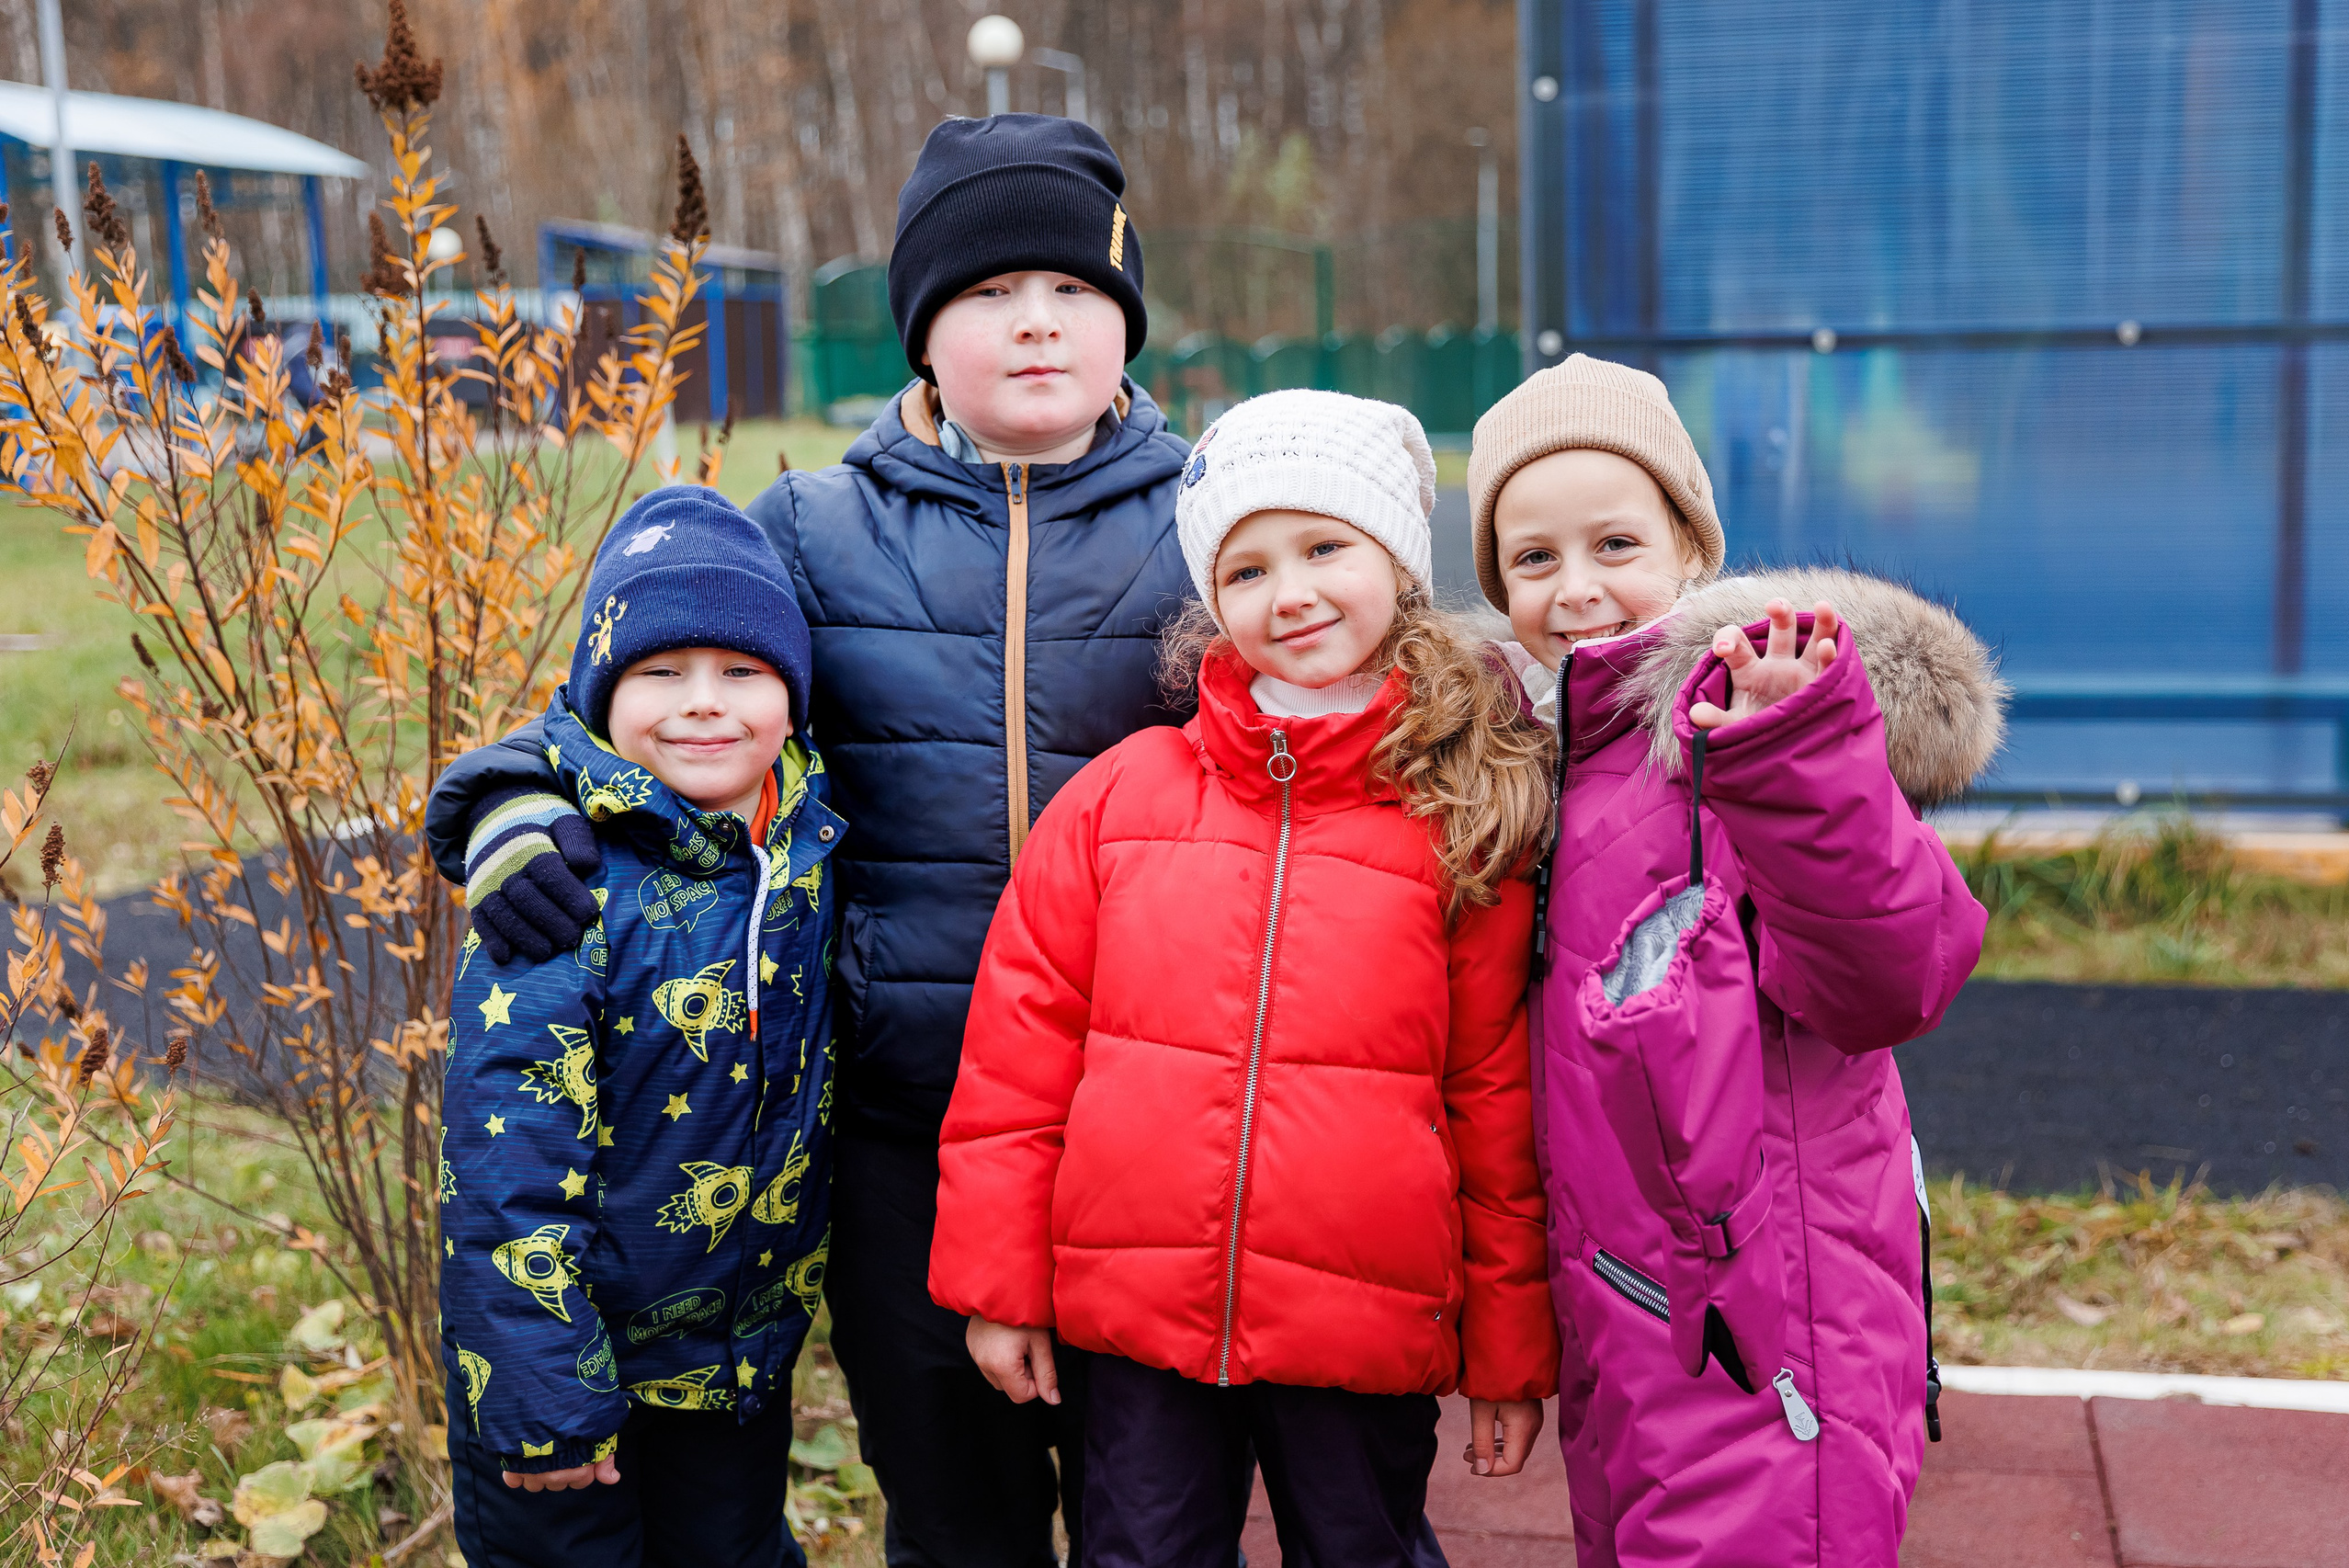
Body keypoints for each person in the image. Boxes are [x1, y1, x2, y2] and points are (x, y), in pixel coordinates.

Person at [423, 113, 1198, 1565]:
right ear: (921, 328)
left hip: (1143, 1116)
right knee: (955, 1503)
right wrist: (509, 798)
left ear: (1125, 318)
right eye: (985, 292)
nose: (1035, 321)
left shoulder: (1212, 519)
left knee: (1149, 1512)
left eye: (1075, 290)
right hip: (900, 1125)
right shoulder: (814, 527)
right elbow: (644, 697)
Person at [930, 390, 1562, 1568]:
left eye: (1326, 546)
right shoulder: (1123, 797)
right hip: (1134, 1322)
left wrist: (1507, 1346)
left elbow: (1494, 1100)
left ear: (1397, 563)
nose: (1294, 592)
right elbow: (1019, 1052)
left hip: (1365, 1319)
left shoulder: (1465, 813)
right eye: (1249, 568)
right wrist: (1000, 1283)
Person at [1467, 355, 2004, 1566]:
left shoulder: (1746, 730)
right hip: (1641, 1325)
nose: (1579, 587)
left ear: (1692, 552)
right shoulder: (1563, 763)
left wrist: (1796, 753)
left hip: (1774, 1333)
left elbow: (1895, 972)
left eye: (1616, 542)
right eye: (1535, 559)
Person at [438, 485, 844, 1568]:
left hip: (732, 1360)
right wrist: (538, 1390)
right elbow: (502, 1163)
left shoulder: (804, 844)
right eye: (659, 673)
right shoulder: (558, 884)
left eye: (741, 673)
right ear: (598, 696)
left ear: (793, 697)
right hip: (565, 1375)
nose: (702, 704)